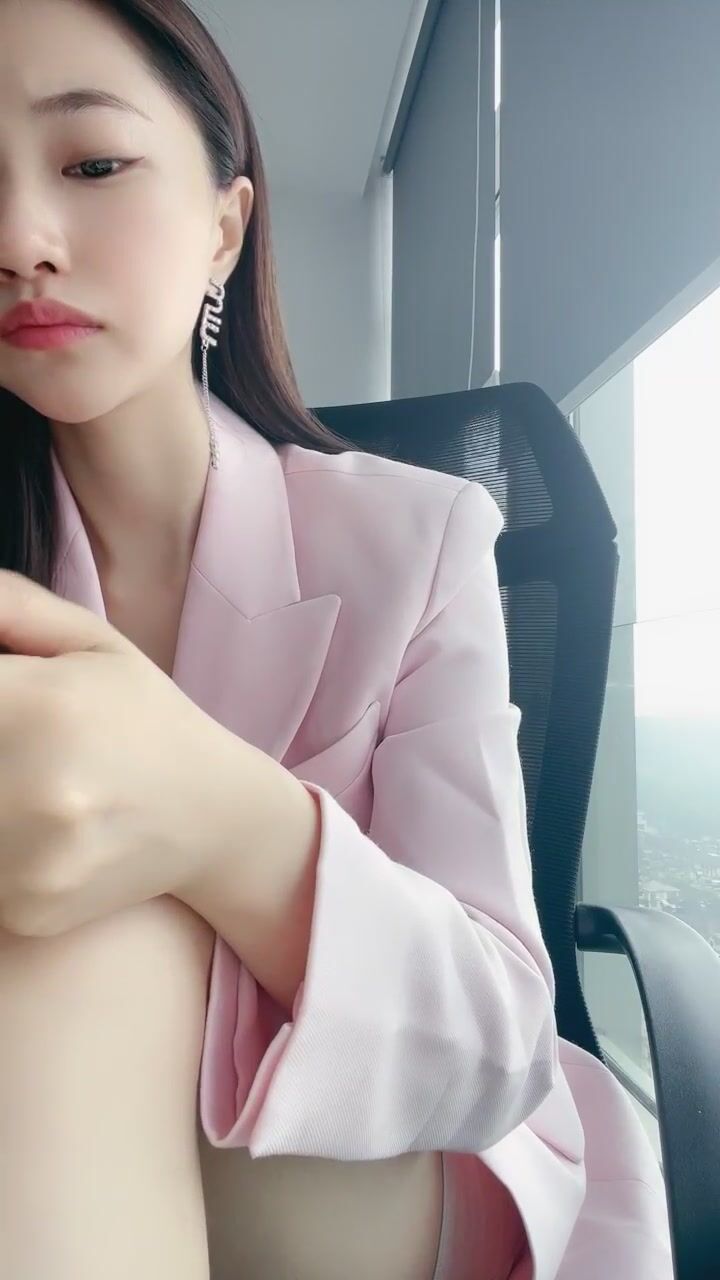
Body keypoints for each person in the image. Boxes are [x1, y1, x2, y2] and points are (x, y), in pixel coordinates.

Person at [0, 2, 673, 1278]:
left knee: (86, 921)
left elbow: (496, 1038)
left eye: (92, 162)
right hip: (47, 1149)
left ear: (224, 227)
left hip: (381, 1155)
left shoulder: (417, 535)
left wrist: (216, 816)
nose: (19, 238)